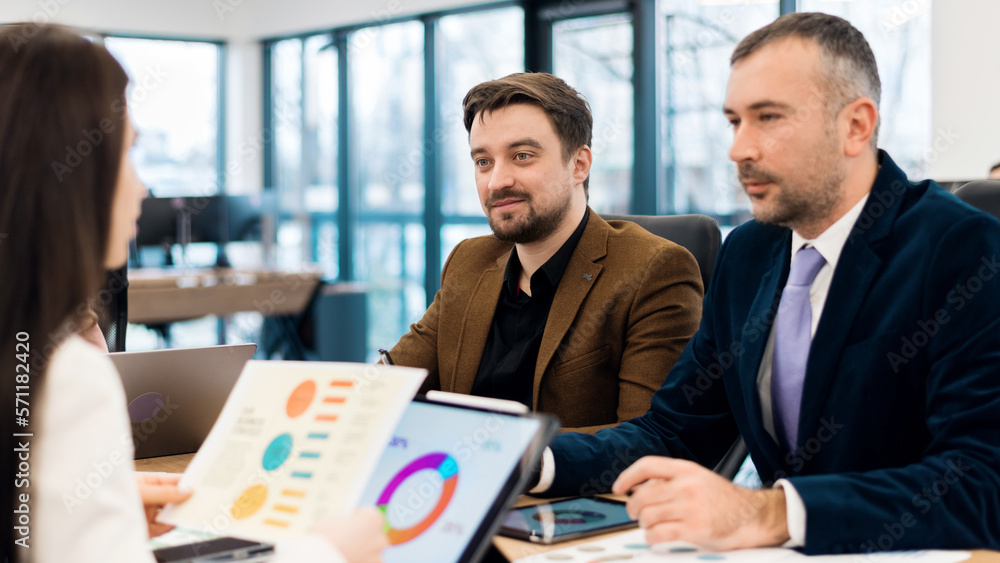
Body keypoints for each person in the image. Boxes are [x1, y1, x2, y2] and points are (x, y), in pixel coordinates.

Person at [530, 13, 1000, 555]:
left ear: (856, 125)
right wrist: (531, 459)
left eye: (768, 118)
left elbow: (980, 481)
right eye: (734, 121)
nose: (738, 149)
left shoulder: (961, 248)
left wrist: (772, 511)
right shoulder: (750, 252)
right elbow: (674, 432)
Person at [0, 24, 387, 562]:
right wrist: (325, 552)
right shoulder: (65, 377)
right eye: (126, 154)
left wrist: (89, 506)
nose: (141, 187)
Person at [388, 73, 703, 433]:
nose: (497, 181)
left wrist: (500, 452)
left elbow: (648, 435)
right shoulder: (469, 261)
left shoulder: (653, 271)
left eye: (522, 156)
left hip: (569, 487)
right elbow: (392, 384)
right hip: (451, 480)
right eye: (483, 161)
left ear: (579, 165)